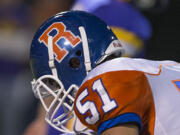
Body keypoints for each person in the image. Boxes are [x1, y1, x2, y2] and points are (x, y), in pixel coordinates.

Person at [29, 10, 180, 135]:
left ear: (75, 63)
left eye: (55, 84)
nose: (59, 95)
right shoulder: (166, 67)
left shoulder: (107, 77)